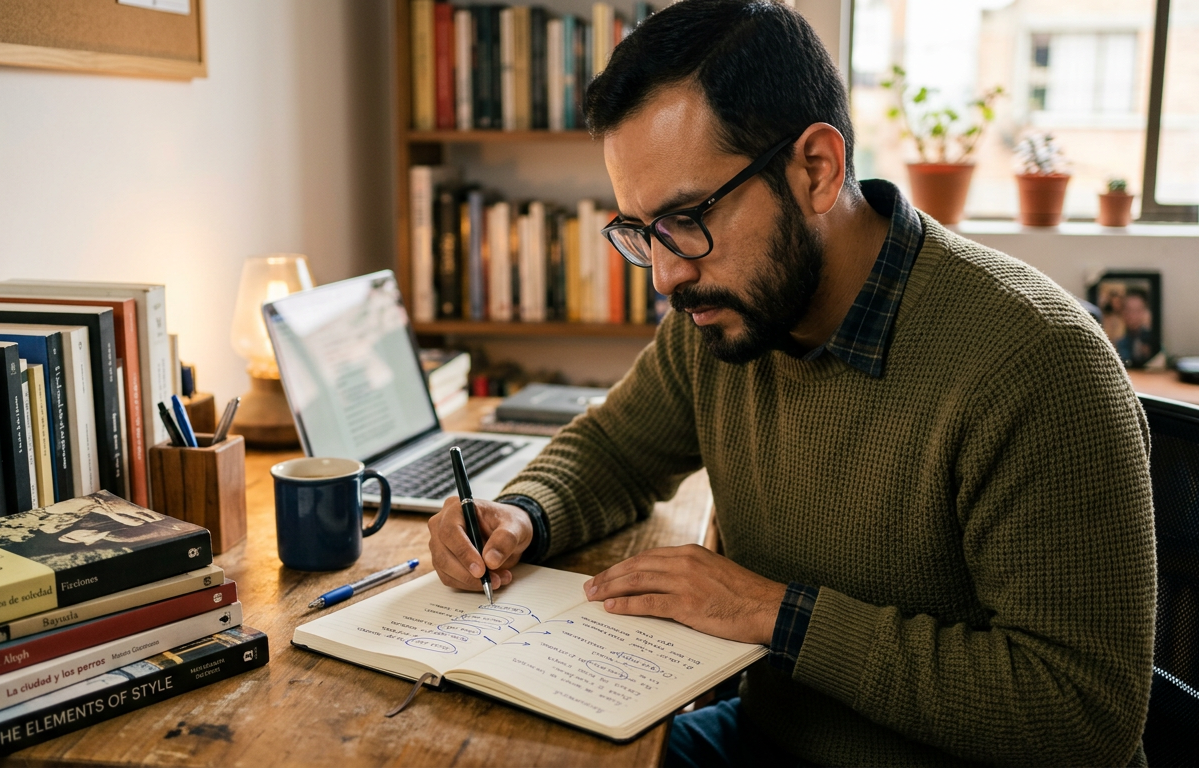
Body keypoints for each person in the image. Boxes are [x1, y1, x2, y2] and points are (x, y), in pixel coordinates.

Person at [426, 2, 1156, 765]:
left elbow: (1082, 715)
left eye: (687, 217)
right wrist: (519, 515)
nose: (667, 275)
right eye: (642, 233)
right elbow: (615, 449)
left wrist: (779, 616)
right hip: (769, 739)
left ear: (816, 169)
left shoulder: (1037, 363)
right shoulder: (724, 314)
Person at [1116, 288, 1157, 367]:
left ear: (1145, 312)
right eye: (1128, 310)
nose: (1132, 316)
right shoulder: (1120, 342)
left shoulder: (1152, 339)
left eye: (1137, 310)